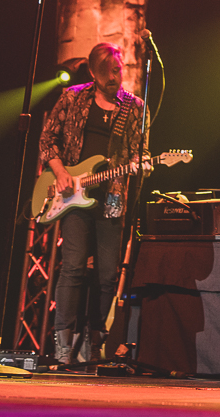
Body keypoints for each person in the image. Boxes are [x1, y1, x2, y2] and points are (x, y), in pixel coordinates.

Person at [38, 42, 149, 368]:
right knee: (72, 268)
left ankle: (96, 339)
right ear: (94, 74)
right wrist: (59, 173)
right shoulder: (73, 97)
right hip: (73, 197)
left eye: (119, 70)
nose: (116, 77)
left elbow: (140, 151)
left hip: (111, 199)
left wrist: (141, 163)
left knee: (106, 276)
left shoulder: (134, 107)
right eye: (109, 72)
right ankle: (63, 344)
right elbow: (47, 139)